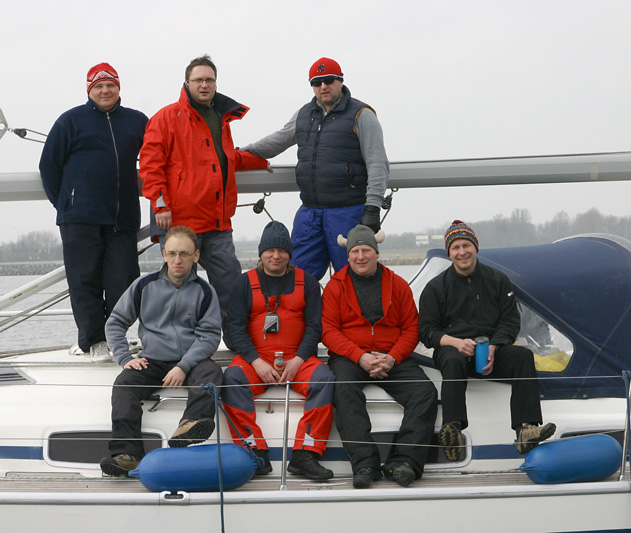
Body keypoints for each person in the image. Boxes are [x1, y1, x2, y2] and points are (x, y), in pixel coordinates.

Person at [138, 55, 268, 342]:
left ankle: (238, 342)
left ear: (216, 83)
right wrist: (160, 203)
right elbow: (150, 164)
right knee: (181, 289)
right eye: (198, 80)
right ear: (186, 83)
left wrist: (258, 162)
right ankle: (180, 347)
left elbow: (224, 158)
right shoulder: (166, 117)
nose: (204, 85)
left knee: (232, 284)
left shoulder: (220, 118)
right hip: (180, 224)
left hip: (218, 222)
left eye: (209, 80)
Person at [418, 220, 556, 462]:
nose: (462, 252)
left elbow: (510, 321)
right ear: (449, 252)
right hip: (453, 351)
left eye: (466, 245)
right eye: (456, 247)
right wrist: (455, 342)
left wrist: (495, 345)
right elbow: (426, 331)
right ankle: (453, 430)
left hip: (491, 350)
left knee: (523, 356)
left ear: (476, 247)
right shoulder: (435, 287)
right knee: (452, 361)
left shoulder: (498, 280)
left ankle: (525, 429)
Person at [242, 57, 389, 281]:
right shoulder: (304, 114)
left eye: (329, 80)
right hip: (309, 212)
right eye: (316, 82)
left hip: (349, 211)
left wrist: (372, 209)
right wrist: (240, 153)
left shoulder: (362, 114)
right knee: (298, 278)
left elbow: (377, 164)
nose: (323, 86)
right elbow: (278, 140)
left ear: (341, 81)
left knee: (351, 277)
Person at [39, 63, 148, 362]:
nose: (105, 90)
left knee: (124, 281)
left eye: (110, 85)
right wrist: (66, 203)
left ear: (119, 88)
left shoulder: (137, 121)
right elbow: (48, 167)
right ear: (89, 90)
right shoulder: (70, 121)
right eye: (98, 86)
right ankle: (94, 341)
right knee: (83, 282)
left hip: (122, 218)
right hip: (79, 220)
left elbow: (158, 155)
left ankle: (114, 336)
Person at [99, 225, 223, 476]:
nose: (178, 260)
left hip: (191, 361)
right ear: (164, 254)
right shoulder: (143, 285)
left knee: (212, 373)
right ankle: (127, 454)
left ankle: (189, 426)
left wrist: (183, 366)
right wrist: (124, 358)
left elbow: (210, 336)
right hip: (152, 361)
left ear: (196, 256)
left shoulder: (205, 291)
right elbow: (115, 323)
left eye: (185, 254)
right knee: (124, 384)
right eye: (173, 253)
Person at [322, 225, 437, 488]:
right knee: (343, 390)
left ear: (376, 253)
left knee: (424, 392)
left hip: (392, 355)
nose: (360, 256)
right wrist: (359, 356)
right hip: (350, 357)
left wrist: (392, 357)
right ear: (348, 256)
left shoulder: (398, 285)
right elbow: (328, 331)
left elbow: (411, 328)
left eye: (366, 250)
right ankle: (365, 464)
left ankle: (404, 462)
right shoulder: (335, 287)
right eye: (355, 251)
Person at [222, 221, 335, 480]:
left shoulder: (307, 282)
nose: (276, 256)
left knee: (325, 378)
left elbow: (315, 327)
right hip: (257, 359)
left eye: (282, 250)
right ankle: (254, 451)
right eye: (270, 250)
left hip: (297, 358)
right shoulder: (243, 283)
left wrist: (299, 360)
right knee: (232, 378)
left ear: (289, 254)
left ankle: (305, 454)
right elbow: (234, 329)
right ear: (261, 253)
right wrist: (256, 362)